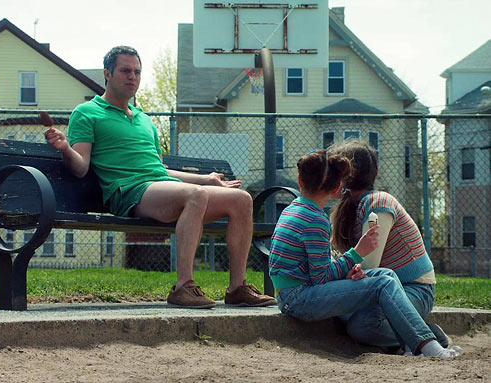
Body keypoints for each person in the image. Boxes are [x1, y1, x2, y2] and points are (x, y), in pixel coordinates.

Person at [45, 45, 276, 309]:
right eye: (125, 70)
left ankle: (237, 288)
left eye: (137, 72)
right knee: (195, 196)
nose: (132, 77)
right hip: (128, 193)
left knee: (242, 199)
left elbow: (159, 169)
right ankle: (183, 287)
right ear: (107, 74)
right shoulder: (87, 113)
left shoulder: (145, 120)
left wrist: (205, 178)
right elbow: (81, 167)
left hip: (159, 187)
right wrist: (64, 148)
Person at [269, 150, 461, 357]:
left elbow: (317, 270)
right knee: (384, 282)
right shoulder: (315, 220)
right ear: (336, 188)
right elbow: (320, 277)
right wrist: (357, 253)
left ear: (300, 179)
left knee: (385, 276)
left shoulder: (292, 209)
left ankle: (419, 340)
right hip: (299, 299)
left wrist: (347, 271)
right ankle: (429, 347)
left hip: (291, 294)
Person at [329, 139, 457, 354]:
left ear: (346, 173)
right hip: (379, 290)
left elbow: (370, 266)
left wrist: (340, 271)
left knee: (363, 325)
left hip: (414, 288)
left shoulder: (379, 203)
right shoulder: (349, 208)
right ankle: (404, 338)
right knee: (334, 310)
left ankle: (429, 335)